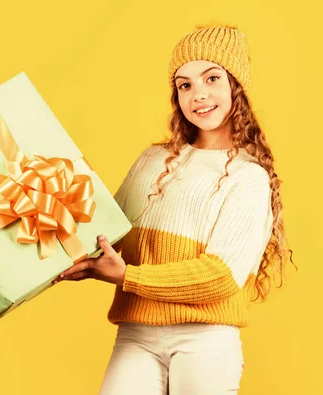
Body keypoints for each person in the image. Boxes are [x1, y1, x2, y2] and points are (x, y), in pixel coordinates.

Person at [52, 23, 296, 395]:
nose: (198, 94)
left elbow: (219, 277)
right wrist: (62, 250)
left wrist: (126, 277)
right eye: (185, 85)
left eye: (211, 78)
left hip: (205, 341)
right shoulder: (153, 160)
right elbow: (108, 235)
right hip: (136, 335)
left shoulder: (248, 178)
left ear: (236, 86)